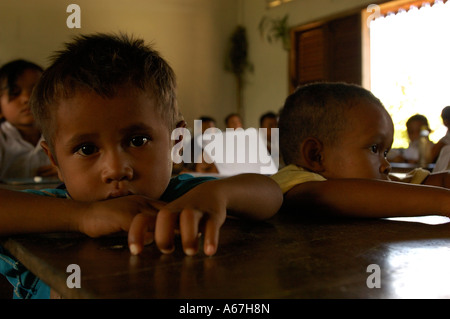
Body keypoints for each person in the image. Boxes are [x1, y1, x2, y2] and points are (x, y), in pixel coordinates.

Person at [0, 33, 283, 299]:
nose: (116, 169)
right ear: (55, 161)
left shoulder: (184, 198)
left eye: (138, 140)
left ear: (176, 142)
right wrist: (83, 217)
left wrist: (219, 195)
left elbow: (271, 193)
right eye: (87, 149)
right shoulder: (48, 214)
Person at [272, 82, 450, 218]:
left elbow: (414, 185)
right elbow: (333, 196)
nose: (386, 165)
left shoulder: (362, 179)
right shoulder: (295, 185)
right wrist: (444, 202)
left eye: (385, 152)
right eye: (374, 148)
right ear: (316, 156)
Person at [0, 59, 57, 179]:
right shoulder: (2, 140)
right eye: (15, 93)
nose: (27, 98)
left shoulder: (62, 133)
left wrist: (67, 171)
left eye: (36, 91)